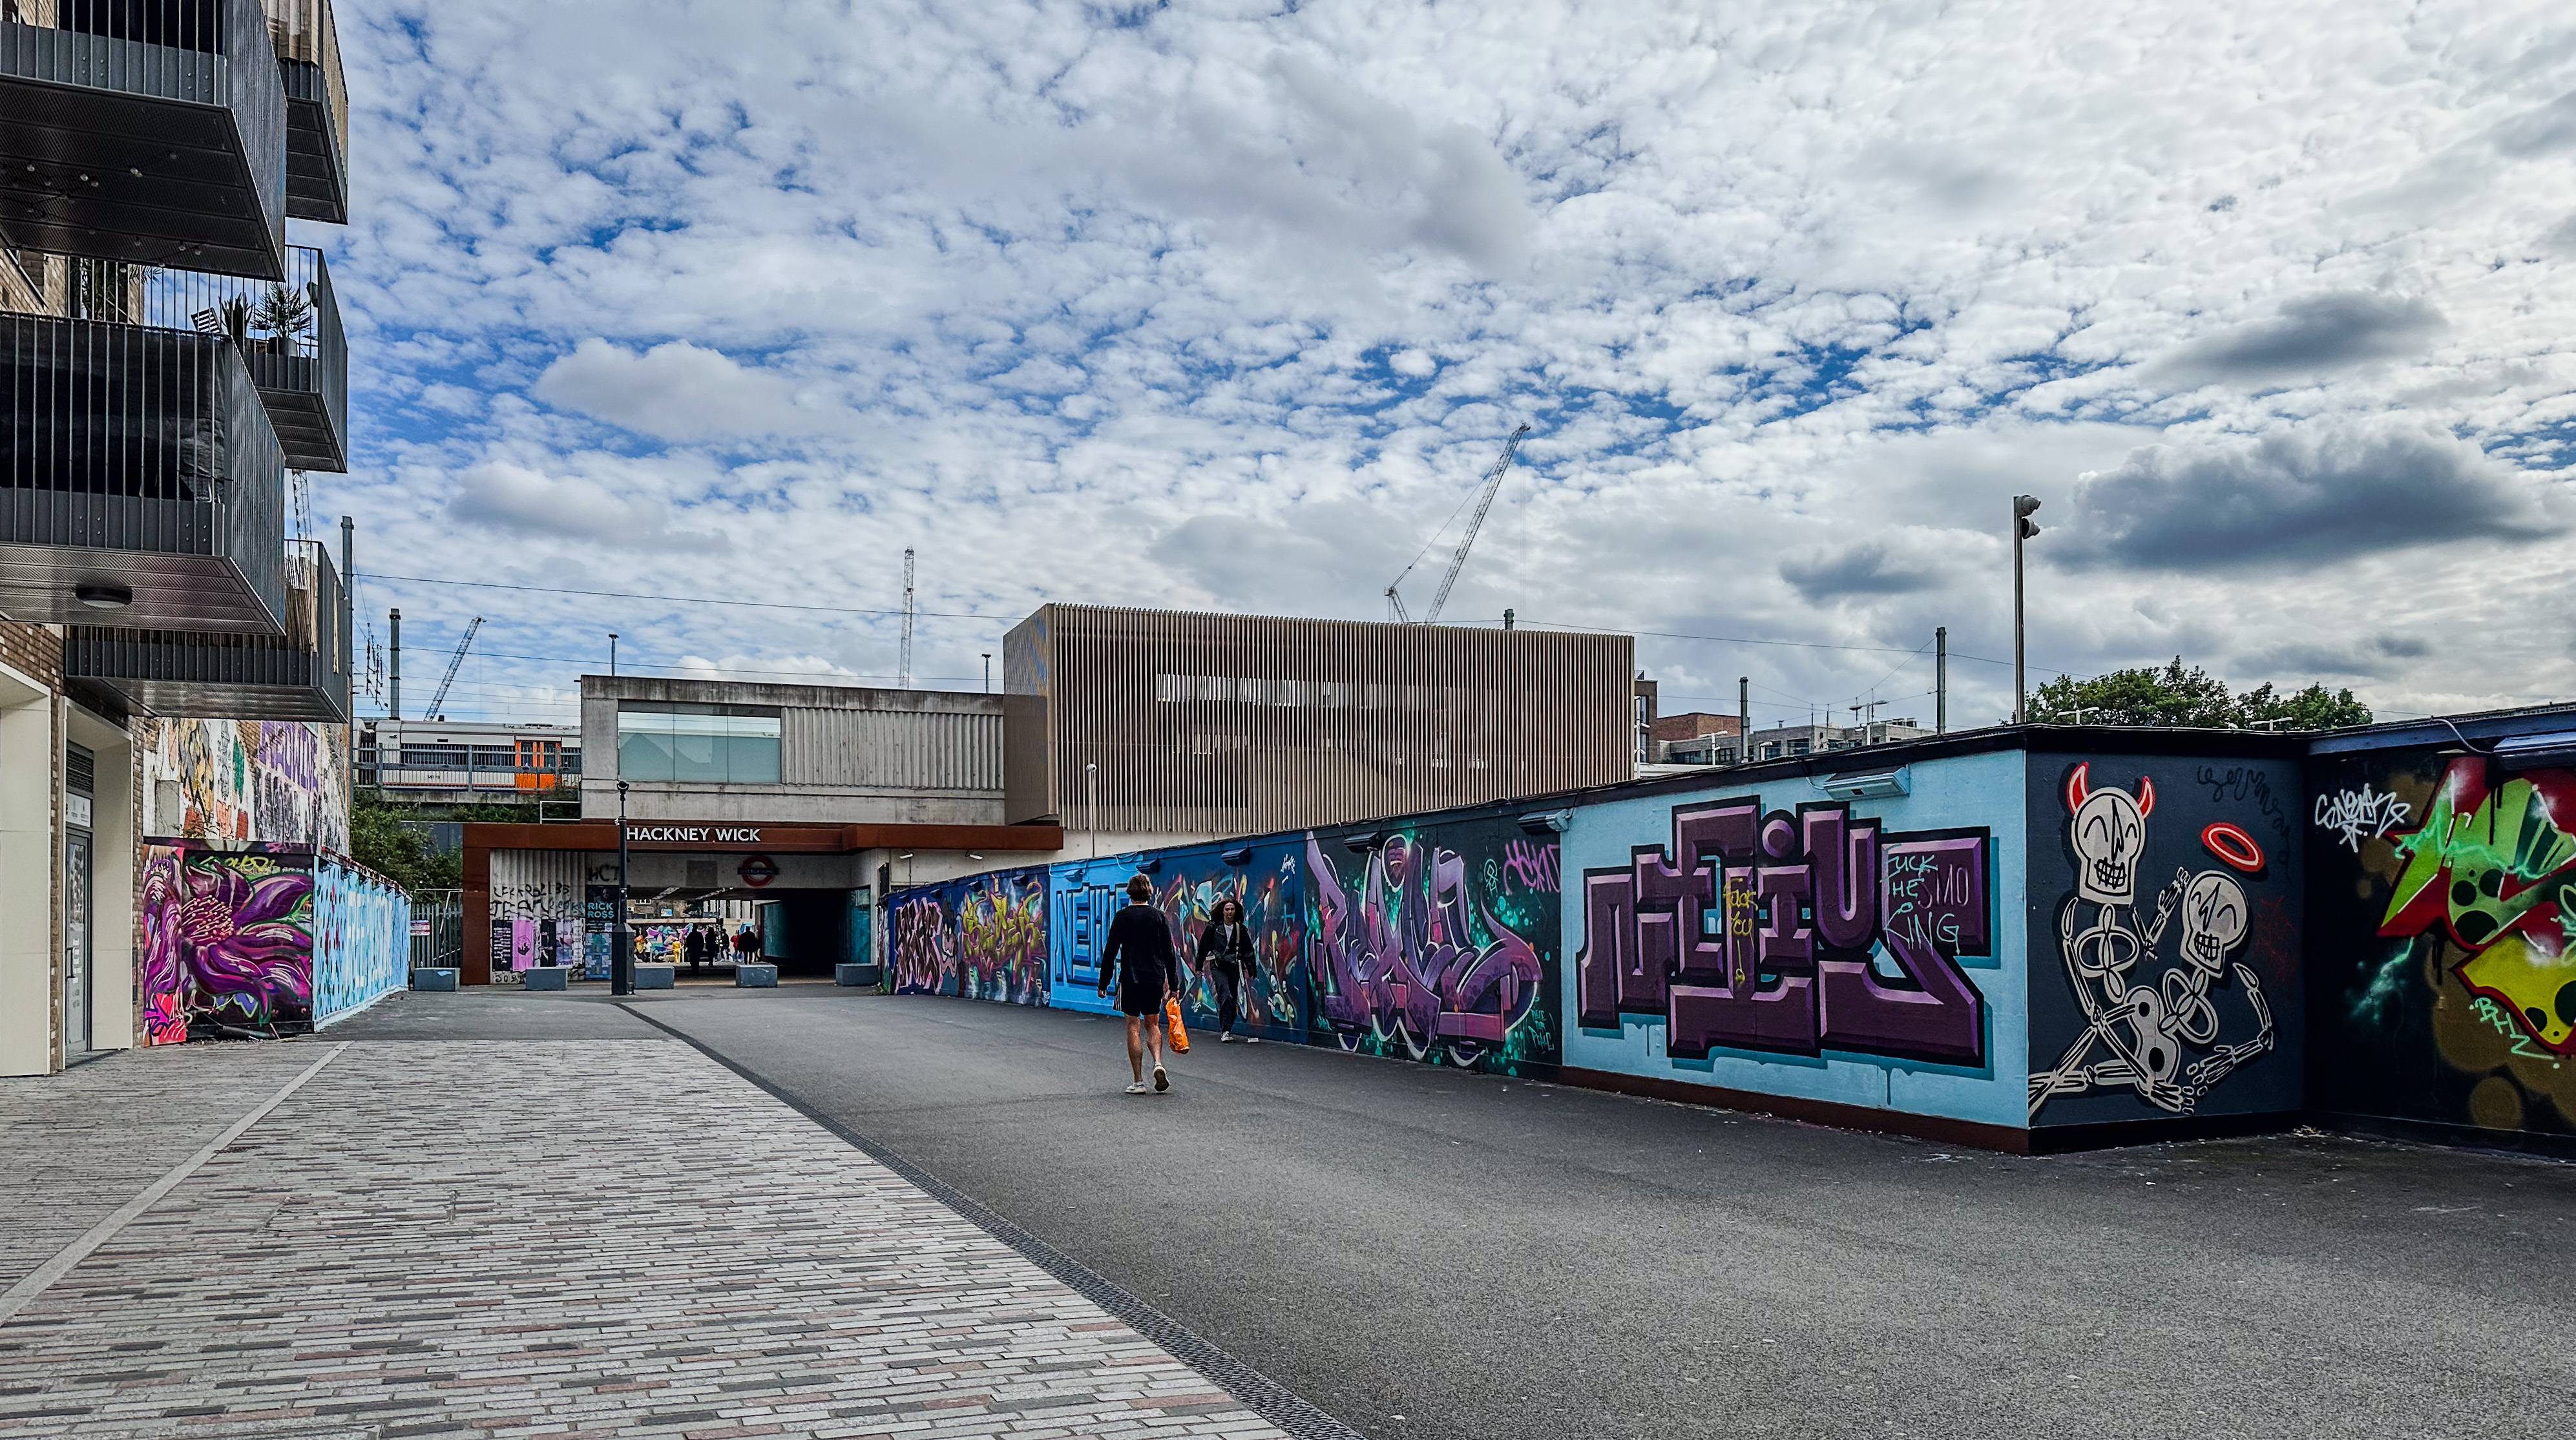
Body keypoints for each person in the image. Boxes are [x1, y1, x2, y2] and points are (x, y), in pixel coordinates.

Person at [1096, 874, 1180, 1094]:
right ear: (1149, 892)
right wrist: (1174, 985)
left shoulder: (1122, 917)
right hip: (1154, 978)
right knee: (1153, 1024)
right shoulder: (1159, 917)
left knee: (1133, 1026)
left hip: (1130, 979)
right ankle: (1158, 1063)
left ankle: (1138, 1082)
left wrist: (1103, 983)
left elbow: (1110, 951)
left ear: (1130, 892)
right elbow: (1169, 953)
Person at [1197, 897, 1258, 1043]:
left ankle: (1228, 1029)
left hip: (1233, 966)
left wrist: (1252, 970)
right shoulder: (1213, 927)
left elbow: (1247, 950)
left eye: (1232, 909)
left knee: (1233, 999)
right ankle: (1225, 1031)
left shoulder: (1239, 929)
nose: (1230, 912)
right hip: (1218, 966)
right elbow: (1203, 946)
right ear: (1222, 911)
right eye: (1227, 909)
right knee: (1226, 996)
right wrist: (1199, 966)